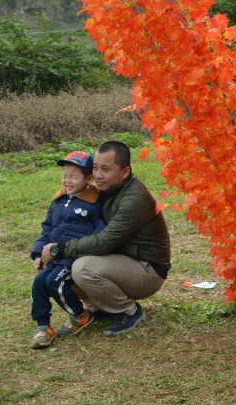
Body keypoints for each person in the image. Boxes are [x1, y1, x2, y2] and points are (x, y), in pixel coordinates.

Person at [40, 141, 171, 336]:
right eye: (95, 168)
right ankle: (100, 308)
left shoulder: (133, 199)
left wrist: (58, 248)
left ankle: (129, 311)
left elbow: (103, 242)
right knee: (67, 265)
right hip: (122, 259)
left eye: (106, 169)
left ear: (124, 172)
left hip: (147, 269)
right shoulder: (106, 190)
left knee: (82, 267)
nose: (98, 175)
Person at [29, 151, 105, 349]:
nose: (67, 181)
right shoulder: (58, 202)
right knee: (39, 282)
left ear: (88, 179)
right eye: (64, 176)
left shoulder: (94, 203)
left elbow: (101, 230)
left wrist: (88, 248)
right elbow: (47, 228)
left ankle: (80, 315)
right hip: (55, 257)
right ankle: (43, 325)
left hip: (74, 257)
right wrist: (38, 253)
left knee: (55, 283)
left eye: (73, 176)